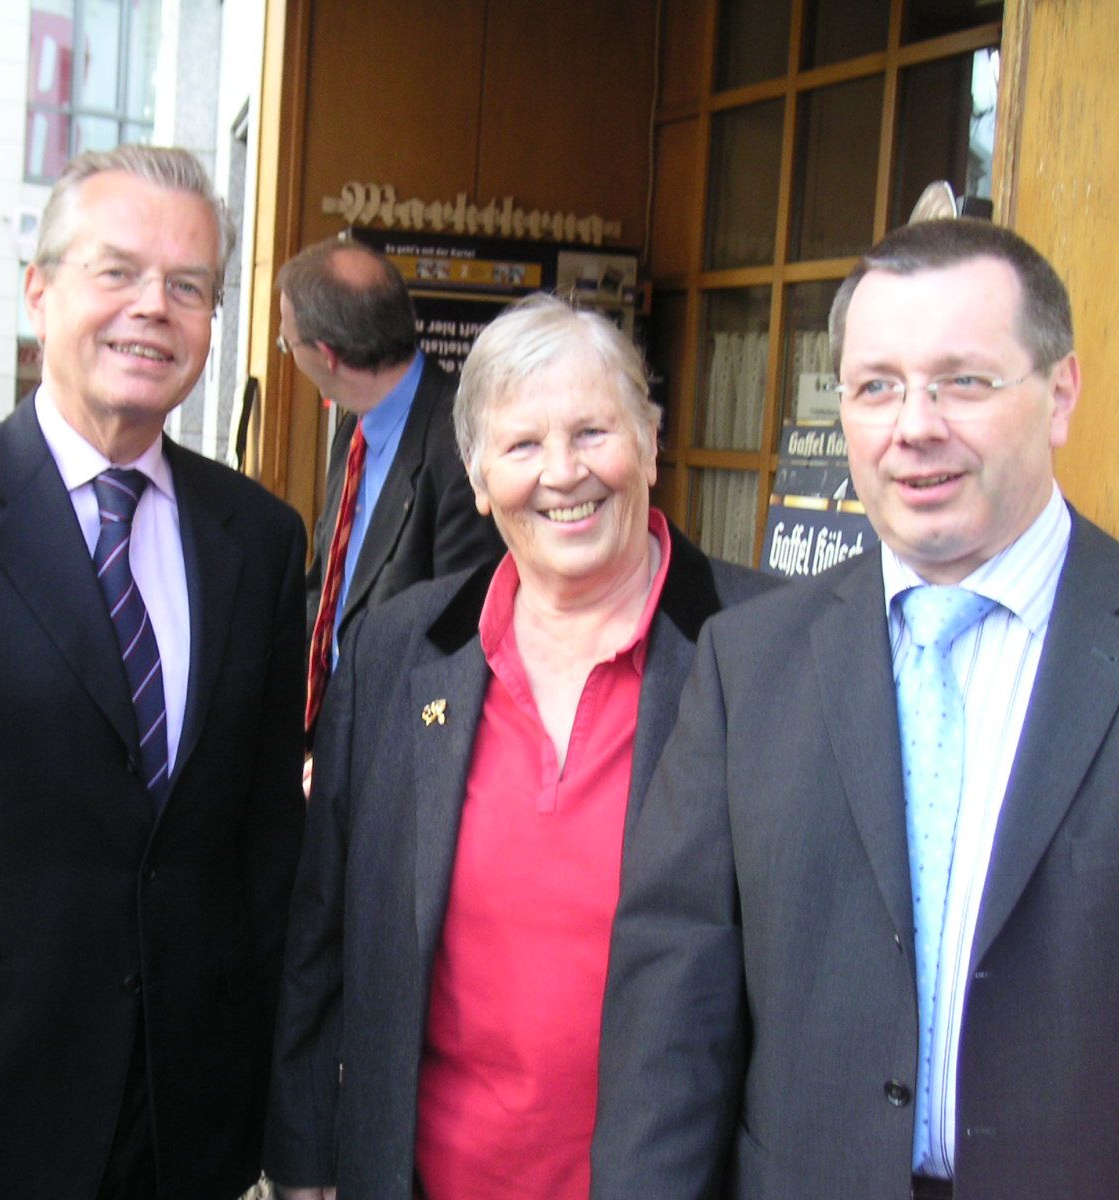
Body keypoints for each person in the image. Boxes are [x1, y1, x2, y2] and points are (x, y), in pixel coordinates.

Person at [592, 218, 1119, 1200]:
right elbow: (671, 1024)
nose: (911, 424)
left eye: (962, 381)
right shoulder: (747, 662)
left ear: (1059, 395)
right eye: (875, 386)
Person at [0, 145, 307, 1200]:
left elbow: (265, 843)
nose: (153, 309)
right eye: (118, 272)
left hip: (190, 1115)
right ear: (39, 293)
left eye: (188, 287)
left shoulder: (262, 539)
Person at [264, 293, 772, 1199]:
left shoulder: (766, 645)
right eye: (523, 445)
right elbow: (323, 927)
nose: (563, 473)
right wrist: (304, 1161)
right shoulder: (401, 648)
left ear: (650, 441)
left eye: (593, 432)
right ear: (476, 470)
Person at [278, 238, 501, 730]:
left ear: (327, 355)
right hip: (329, 740)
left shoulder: (462, 448)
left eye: (284, 343)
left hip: (400, 751)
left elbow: (463, 642)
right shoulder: (352, 433)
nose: (284, 351)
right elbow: (329, 597)